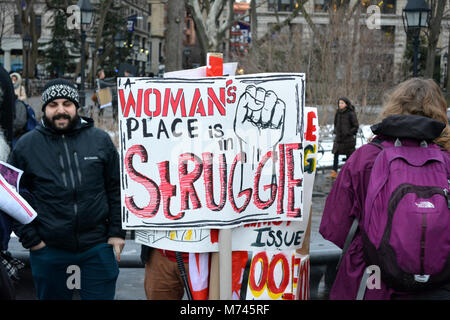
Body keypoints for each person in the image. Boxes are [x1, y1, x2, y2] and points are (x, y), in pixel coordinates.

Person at [319, 78, 450, 300]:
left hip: (373, 281)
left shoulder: (366, 157)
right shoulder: (446, 161)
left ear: (394, 107)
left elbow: (335, 227)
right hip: (438, 284)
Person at [9, 78, 126, 300]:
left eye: (67, 104)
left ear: (76, 107)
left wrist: (117, 233)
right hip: (49, 250)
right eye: (53, 105)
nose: (61, 110)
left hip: (97, 247)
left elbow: (116, 187)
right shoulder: (26, 146)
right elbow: (12, 196)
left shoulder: (99, 140)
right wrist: (33, 241)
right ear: (44, 108)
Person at [330, 97, 359, 179]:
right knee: (335, 154)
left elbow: (356, 126)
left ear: (346, 104)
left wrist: (349, 132)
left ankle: (348, 173)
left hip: (348, 139)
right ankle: (334, 172)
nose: (340, 105)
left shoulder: (351, 113)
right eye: (339, 103)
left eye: (342, 103)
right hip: (338, 138)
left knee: (349, 157)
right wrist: (336, 131)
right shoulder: (338, 113)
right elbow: (335, 123)